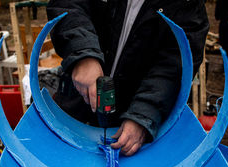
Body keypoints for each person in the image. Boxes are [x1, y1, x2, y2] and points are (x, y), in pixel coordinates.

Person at [47, 0, 209, 156]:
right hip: (74, 107)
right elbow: (68, 5)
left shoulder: (189, 5)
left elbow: (174, 64)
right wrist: (82, 54)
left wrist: (143, 115)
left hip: (132, 119)